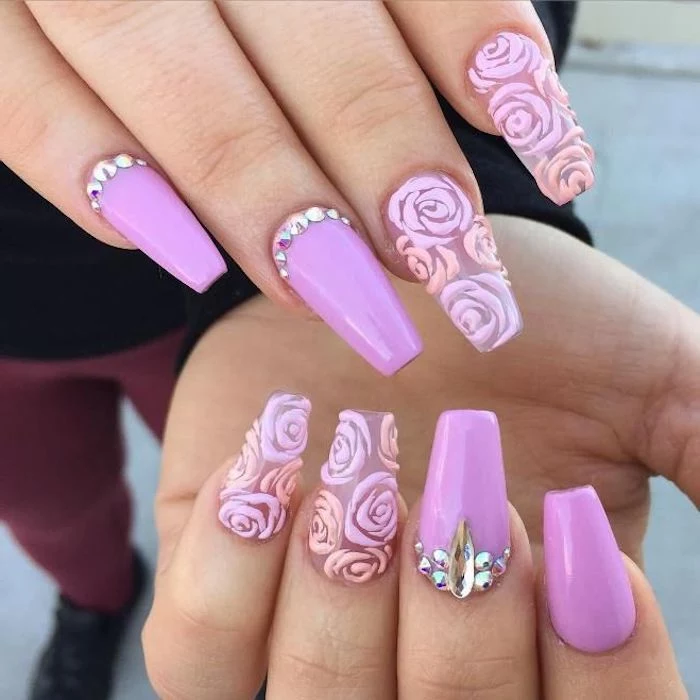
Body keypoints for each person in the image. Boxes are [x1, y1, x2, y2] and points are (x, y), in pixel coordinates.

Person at [0, 1, 696, 698]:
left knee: (246, 511)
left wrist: (468, 181)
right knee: (52, 514)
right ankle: (93, 604)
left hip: (232, 305)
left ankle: (97, 600)